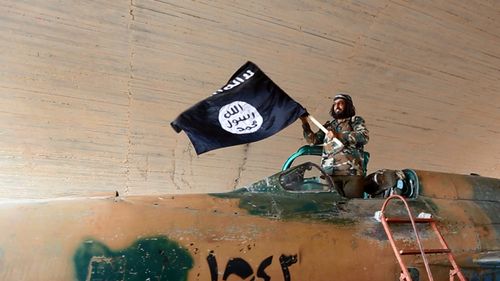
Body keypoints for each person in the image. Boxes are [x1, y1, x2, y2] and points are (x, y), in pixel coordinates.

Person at [300, 93, 369, 198]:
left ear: (348, 106)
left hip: (351, 173)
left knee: (352, 207)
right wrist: (305, 122)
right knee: (330, 207)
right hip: (329, 175)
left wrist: (340, 135)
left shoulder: (355, 121)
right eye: (335, 104)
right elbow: (312, 141)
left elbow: (363, 137)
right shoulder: (328, 126)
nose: (337, 106)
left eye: (341, 103)